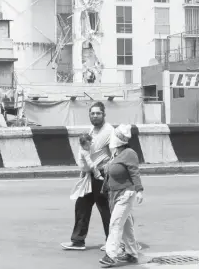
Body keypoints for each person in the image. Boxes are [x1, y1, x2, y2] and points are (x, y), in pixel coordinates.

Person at [61, 101, 114, 251]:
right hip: (89, 174)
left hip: (102, 174)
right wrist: (83, 172)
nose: (95, 116)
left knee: (104, 208)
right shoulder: (91, 130)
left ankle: (112, 241)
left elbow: (115, 152)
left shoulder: (109, 131)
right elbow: (87, 153)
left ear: (104, 114)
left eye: (98, 113)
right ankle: (78, 240)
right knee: (82, 205)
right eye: (92, 113)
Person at [99, 124, 144, 267]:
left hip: (126, 193)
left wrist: (139, 190)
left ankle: (111, 255)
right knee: (126, 226)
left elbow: (134, 172)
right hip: (115, 193)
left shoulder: (129, 153)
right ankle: (131, 253)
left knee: (115, 223)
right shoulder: (116, 154)